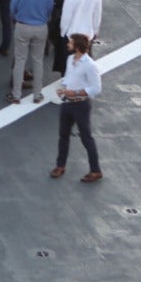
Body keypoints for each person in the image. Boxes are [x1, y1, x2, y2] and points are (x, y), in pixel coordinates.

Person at [52, 33, 103, 183]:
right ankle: (60, 165)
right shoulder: (69, 60)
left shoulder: (90, 65)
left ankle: (95, 170)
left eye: (70, 43)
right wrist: (63, 89)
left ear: (77, 46)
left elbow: (96, 88)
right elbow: (68, 77)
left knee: (86, 138)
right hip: (67, 102)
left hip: (81, 105)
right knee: (63, 136)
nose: (68, 44)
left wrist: (74, 92)